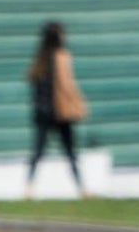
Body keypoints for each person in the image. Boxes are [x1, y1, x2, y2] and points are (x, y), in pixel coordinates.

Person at [24, 20, 89, 199]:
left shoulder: (39, 59)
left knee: (37, 152)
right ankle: (81, 189)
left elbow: (32, 82)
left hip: (42, 113)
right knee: (70, 152)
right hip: (60, 112)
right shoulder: (62, 56)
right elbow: (67, 85)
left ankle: (28, 188)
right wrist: (79, 103)